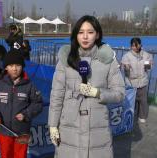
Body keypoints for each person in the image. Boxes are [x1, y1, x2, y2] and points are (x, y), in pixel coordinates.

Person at [48, 15, 125, 158]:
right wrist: (52, 125)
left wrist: (97, 92)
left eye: (90, 32)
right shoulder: (65, 60)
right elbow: (56, 96)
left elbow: (120, 93)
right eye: (80, 32)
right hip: (69, 128)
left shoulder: (108, 61)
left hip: (98, 130)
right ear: (75, 34)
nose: (85, 37)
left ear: (97, 35)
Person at [0, 50, 43, 158]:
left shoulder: (29, 85)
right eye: (11, 65)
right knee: (5, 155)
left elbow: (38, 103)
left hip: (22, 132)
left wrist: (26, 114)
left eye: (18, 65)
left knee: (20, 155)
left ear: (22, 67)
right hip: (4, 130)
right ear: (6, 67)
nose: (15, 69)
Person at [121, 37, 153, 123]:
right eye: (133, 46)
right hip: (131, 82)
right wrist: (126, 68)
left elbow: (148, 69)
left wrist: (149, 65)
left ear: (140, 44)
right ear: (131, 46)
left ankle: (142, 116)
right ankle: (130, 114)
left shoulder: (146, 55)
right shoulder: (126, 56)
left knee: (143, 100)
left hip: (143, 81)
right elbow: (126, 73)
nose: (135, 47)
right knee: (131, 100)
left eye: (136, 45)